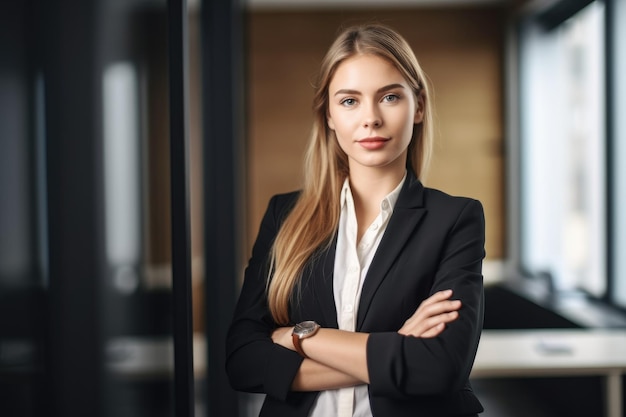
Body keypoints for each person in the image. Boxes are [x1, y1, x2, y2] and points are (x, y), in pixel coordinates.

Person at [226, 23, 485, 417]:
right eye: (349, 101)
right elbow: (243, 361)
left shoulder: (456, 219)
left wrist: (297, 337)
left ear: (418, 107)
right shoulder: (285, 215)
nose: (371, 119)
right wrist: (394, 346)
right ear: (328, 115)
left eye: (390, 97)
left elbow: (438, 367)